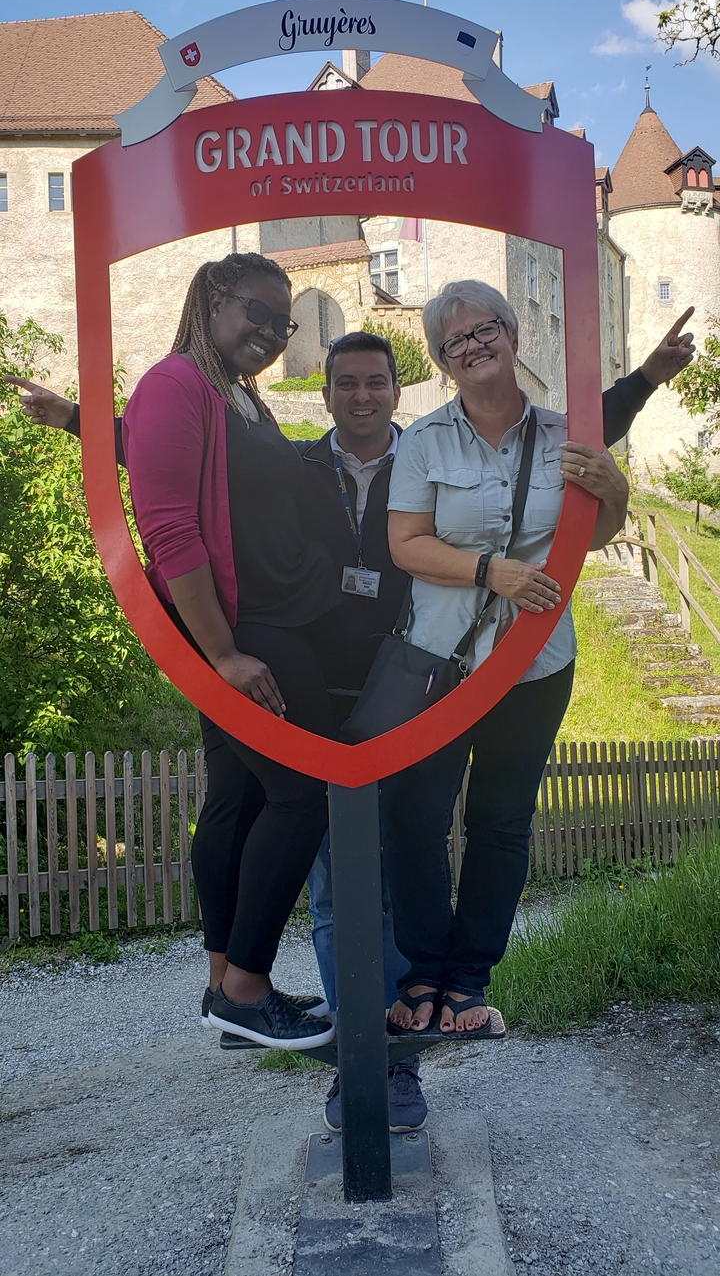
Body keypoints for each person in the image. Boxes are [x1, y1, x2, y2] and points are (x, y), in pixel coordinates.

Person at [6, 309, 695, 1068]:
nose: (362, 396)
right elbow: (186, 457)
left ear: (398, 389)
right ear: (326, 394)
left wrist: (647, 381)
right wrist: (76, 419)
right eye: (346, 384)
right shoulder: (294, 466)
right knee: (336, 867)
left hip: (408, 670)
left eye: (376, 381)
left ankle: (414, 1008)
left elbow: (566, 439)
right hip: (321, 687)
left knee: (410, 839)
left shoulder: (426, 451)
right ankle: (358, 1030)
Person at [118, 249, 358, 1052]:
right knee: (305, 791)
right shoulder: (177, 380)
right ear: (215, 297)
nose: (270, 332)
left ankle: (227, 985)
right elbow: (169, 527)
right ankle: (248, 987)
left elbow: (169, 452)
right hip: (247, 631)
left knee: (237, 797)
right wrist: (220, 654)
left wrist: (93, 427)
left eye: (283, 322)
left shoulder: (234, 393)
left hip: (274, 621)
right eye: (257, 312)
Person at [383, 278, 630, 1037]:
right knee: (416, 820)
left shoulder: (567, 432)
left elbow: (595, 534)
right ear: (442, 360)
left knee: (500, 822)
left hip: (536, 662)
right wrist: (493, 572)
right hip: (441, 661)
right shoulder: (424, 439)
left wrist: (613, 489)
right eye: (456, 340)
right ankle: (423, 968)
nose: (474, 345)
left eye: (485, 327)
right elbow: (405, 544)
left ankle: (468, 982)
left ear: (514, 334)